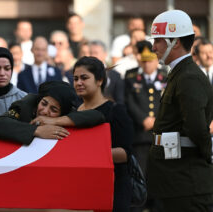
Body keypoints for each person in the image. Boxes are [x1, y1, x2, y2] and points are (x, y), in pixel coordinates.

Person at [148, 10, 213, 211]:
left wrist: (206, 155)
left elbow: (196, 128)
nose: (153, 47)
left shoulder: (188, 77)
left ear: (174, 42)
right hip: (175, 181)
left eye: (158, 40)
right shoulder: (180, 74)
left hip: (186, 183)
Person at [73, 56, 133, 211]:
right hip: (81, 186)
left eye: (84, 78)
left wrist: (90, 155)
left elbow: (125, 153)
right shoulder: (73, 113)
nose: (79, 83)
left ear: (99, 80)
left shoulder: (115, 111)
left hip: (113, 187)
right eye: (75, 78)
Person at [0, 81, 105, 145]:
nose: (44, 111)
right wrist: (36, 130)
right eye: (44, 103)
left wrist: (54, 121)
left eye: (53, 110)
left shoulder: (68, 114)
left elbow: (97, 115)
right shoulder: (25, 105)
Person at [124, 41, 167, 212]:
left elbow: (169, 103)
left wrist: (157, 119)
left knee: (159, 178)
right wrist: (143, 118)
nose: (147, 64)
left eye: (151, 60)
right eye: (144, 60)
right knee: (139, 176)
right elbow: (128, 101)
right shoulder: (131, 77)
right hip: (140, 135)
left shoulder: (166, 77)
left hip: (160, 136)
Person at [89, 40, 124, 104]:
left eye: (96, 53)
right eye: (91, 53)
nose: (92, 56)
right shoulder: (83, 74)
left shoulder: (115, 76)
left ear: (105, 54)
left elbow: (120, 101)